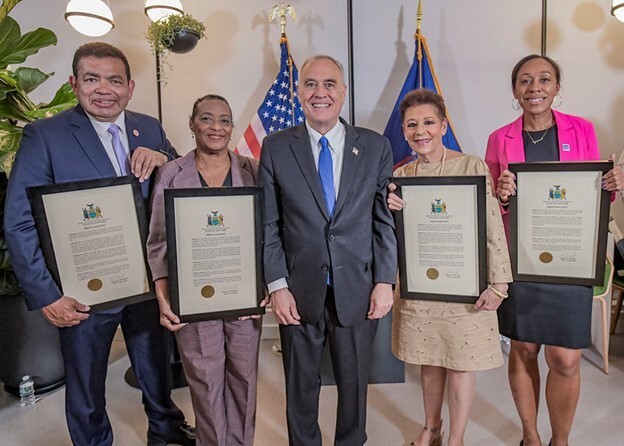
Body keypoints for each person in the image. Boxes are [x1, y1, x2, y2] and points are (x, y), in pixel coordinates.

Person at [4, 42, 194, 446]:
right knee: (87, 382)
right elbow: (18, 220)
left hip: (145, 283)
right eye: (92, 79)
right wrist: (46, 295)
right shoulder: (46, 135)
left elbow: (182, 180)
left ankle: (166, 432)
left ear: (130, 87)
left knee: (155, 367)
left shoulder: (150, 127)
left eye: (114, 80)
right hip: (83, 290)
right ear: (75, 83)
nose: (104, 89)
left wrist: (162, 157)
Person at [484, 54, 624, 446]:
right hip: (521, 259)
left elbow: (593, 196)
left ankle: (559, 441)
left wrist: (610, 184)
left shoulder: (582, 130)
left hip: (570, 259)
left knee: (565, 358)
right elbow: (491, 209)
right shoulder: (500, 139)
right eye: (525, 81)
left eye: (544, 79)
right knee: (525, 349)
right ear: (515, 90)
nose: (535, 88)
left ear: (557, 87)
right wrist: (502, 196)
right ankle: (530, 436)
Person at [258, 54, 398, 446]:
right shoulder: (275, 147)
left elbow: (383, 220)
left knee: (353, 385)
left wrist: (385, 280)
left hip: (357, 284)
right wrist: (277, 285)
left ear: (344, 92)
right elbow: (269, 224)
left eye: (329, 84)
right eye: (311, 84)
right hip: (298, 290)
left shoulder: (373, 146)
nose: (320, 93)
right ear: (299, 91)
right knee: (300, 386)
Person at [387, 89, 513, 446]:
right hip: (422, 286)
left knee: (460, 363)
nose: (420, 130)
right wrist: (389, 206)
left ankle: (456, 438)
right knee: (429, 359)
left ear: (443, 125)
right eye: (412, 124)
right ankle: (432, 428)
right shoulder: (402, 175)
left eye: (428, 122)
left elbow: (492, 225)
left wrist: (500, 283)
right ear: (404, 130)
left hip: (466, 287)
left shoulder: (471, 166)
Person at [146, 94, 262, 446]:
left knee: (244, 379)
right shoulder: (171, 173)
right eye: (207, 119)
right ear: (192, 124)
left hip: (243, 300)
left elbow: (268, 232)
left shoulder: (252, 170)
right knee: (206, 381)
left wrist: (264, 287)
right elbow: (158, 241)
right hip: (193, 302)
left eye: (224, 120)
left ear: (232, 127)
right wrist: (164, 296)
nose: (216, 127)